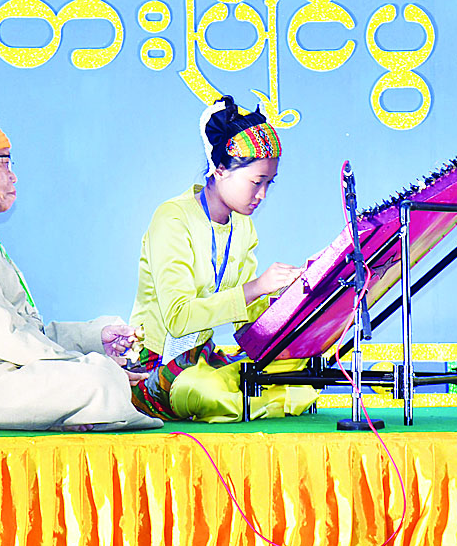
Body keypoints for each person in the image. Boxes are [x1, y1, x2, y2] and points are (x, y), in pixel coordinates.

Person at [0, 103, 162, 432]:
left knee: (98, 373)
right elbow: (2, 333)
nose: (12, 175)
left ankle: (75, 412)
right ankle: (82, 408)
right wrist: (83, 364)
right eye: (4, 162)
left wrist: (93, 338)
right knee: (98, 378)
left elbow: (22, 331)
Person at [128, 95, 318, 421]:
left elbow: (248, 320)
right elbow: (178, 319)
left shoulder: (243, 226)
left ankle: (250, 397)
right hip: (153, 365)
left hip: (200, 359)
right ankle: (249, 400)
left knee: (299, 373)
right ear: (219, 170)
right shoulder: (172, 218)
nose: (262, 195)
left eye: (269, 184)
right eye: (256, 182)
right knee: (206, 391)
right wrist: (256, 287)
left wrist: (296, 296)